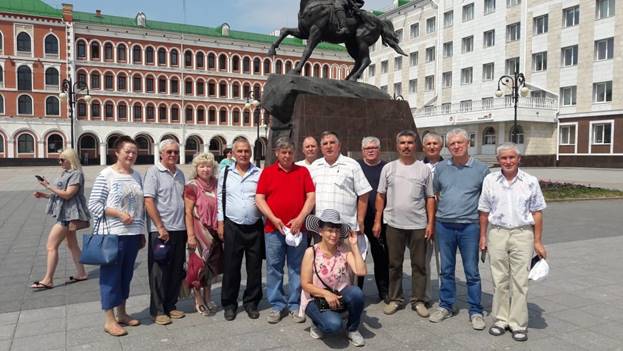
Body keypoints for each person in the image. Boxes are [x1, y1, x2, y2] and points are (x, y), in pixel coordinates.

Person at [478, 143, 547, 342]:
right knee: (499, 280)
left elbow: (537, 212)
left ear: (519, 159)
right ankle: (500, 319)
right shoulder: (490, 180)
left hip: (522, 234)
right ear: (498, 160)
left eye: (511, 158)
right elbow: (483, 211)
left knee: (520, 280)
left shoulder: (530, 181)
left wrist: (538, 241)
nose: (508, 161)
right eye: (503, 158)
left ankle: (518, 323)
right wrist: (483, 236)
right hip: (497, 233)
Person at [429, 128, 489, 330]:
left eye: (459, 143)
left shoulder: (481, 169)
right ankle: (446, 305)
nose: (455, 146)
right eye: (452, 143)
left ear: (468, 144)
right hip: (444, 225)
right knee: (446, 270)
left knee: (472, 272)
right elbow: (436, 193)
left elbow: (486, 203)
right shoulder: (441, 168)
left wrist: (483, 234)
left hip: (469, 227)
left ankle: (476, 310)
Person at [88, 136, 146, 337]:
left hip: (132, 235)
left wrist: (141, 232)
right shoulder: (106, 175)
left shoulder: (137, 175)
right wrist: (118, 213)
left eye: (134, 152)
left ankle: (122, 313)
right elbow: (94, 205)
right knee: (110, 277)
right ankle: (109, 319)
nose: (131, 155)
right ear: (117, 153)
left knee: (126, 275)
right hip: (112, 235)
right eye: (127, 151)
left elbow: (140, 207)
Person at [374, 130, 435, 317]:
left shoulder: (424, 169)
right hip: (393, 224)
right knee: (394, 264)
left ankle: (418, 300)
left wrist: (430, 223)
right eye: (402, 143)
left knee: (419, 265)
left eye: (409, 142)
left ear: (415, 145)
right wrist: (377, 220)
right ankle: (395, 299)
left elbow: (430, 197)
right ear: (397, 146)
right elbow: (380, 195)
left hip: (418, 224)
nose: (406, 146)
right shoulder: (389, 168)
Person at [256, 137, 316, 324]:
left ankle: (294, 304)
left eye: (290, 152)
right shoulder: (267, 173)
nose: (287, 155)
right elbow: (259, 198)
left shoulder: (302, 171)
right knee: (274, 267)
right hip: (273, 230)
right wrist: (273, 219)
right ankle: (277, 305)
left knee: (297, 267)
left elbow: (311, 197)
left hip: (298, 229)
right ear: (276, 153)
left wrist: (300, 219)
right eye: (283, 152)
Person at [300, 209, 367, 347]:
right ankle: (318, 322)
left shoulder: (344, 250)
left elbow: (361, 271)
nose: (334, 235)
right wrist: (326, 294)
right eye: (330, 230)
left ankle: (352, 329)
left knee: (356, 293)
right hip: (316, 299)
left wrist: (354, 245)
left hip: (338, 297)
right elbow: (305, 284)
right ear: (321, 231)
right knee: (334, 325)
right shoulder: (311, 252)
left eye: (337, 231)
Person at [217, 137, 263, 321]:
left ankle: (251, 303)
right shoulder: (225, 173)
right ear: (233, 153)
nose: (243, 154)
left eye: (246, 151)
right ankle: (229, 304)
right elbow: (220, 198)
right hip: (232, 226)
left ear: (250, 152)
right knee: (231, 267)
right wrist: (220, 223)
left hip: (254, 226)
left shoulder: (259, 173)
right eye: (240, 151)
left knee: (254, 267)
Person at [31, 148, 90, 290]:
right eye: (59, 159)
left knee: (51, 246)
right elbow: (61, 195)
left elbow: (68, 195)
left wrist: (48, 186)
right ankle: (81, 273)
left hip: (68, 216)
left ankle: (48, 279)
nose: (59, 162)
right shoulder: (66, 173)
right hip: (66, 213)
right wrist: (44, 194)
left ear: (70, 159)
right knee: (72, 245)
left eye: (62, 159)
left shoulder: (76, 174)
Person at [144, 139, 187, 325]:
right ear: (161, 153)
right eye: (169, 152)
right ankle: (158, 309)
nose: (172, 155)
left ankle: (170, 305)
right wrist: (160, 226)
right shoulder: (153, 172)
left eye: (176, 152)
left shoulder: (180, 174)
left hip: (179, 229)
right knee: (158, 272)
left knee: (176, 270)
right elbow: (148, 201)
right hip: (161, 230)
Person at [183, 152, 222, 316]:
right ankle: (198, 299)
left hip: (214, 232)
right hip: (199, 233)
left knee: (211, 267)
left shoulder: (216, 184)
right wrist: (190, 236)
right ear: (196, 168)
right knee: (197, 268)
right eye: (201, 166)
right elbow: (188, 212)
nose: (205, 169)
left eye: (208, 166)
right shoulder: (192, 186)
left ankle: (208, 295)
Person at [310, 131, 371, 233]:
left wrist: (360, 220)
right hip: (321, 229)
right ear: (321, 148)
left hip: (346, 227)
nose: (329, 146)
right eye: (325, 144)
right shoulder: (315, 166)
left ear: (339, 146)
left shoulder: (352, 165)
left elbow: (364, 193)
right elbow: (309, 196)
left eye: (332, 142)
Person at [356, 136, 389, 302]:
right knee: (358, 256)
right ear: (362, 151)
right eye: (367, 148)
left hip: (379, 220)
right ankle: (356, 291)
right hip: (359, 219)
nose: (370, 150)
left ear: (379, 149)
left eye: (374, 147)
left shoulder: (387, 168)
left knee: (381, 256)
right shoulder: (356, 166)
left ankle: (384, 291)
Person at [422, 131, 444, 305]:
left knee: (446, 260)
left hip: (445, 219)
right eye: (428, 144)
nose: (432, 146)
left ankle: (446, 294)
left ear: (441, 146)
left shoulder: (451, 165)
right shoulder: (417, 166)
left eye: (435, 143)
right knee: (424, 260)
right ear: (423, 147)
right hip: (424, 219)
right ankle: (426, 296)